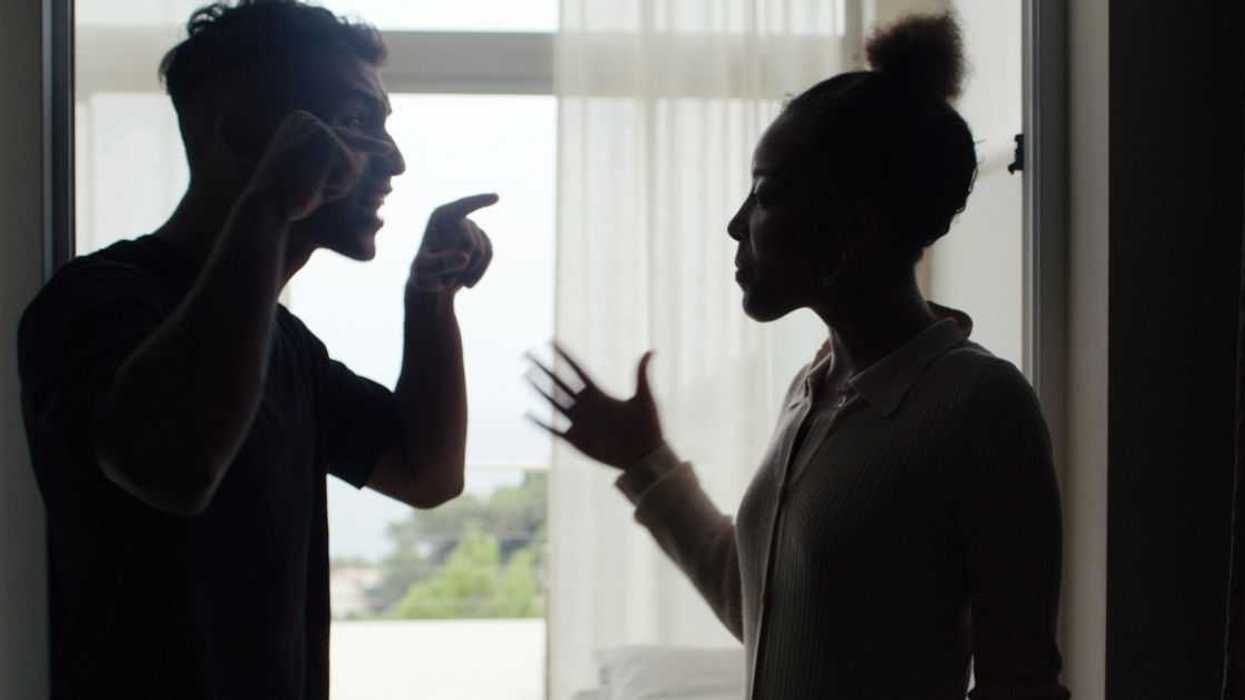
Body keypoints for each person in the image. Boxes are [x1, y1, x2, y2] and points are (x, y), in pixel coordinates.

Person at [527, 13, 1069, 699]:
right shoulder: (817, 386)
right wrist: (645, 461)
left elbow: (1019, 682)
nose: (735, 224)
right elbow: (763, 610)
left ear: (854, 220)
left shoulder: (978, 406)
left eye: (766, 193)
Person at [18, 2, 495, 697]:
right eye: (359, 122)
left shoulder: (286, 345)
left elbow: (425, 472)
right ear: (241, 130)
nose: (392, 158)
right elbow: (175, 467)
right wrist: (270, 204)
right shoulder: (94, 304)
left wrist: (430, 298)